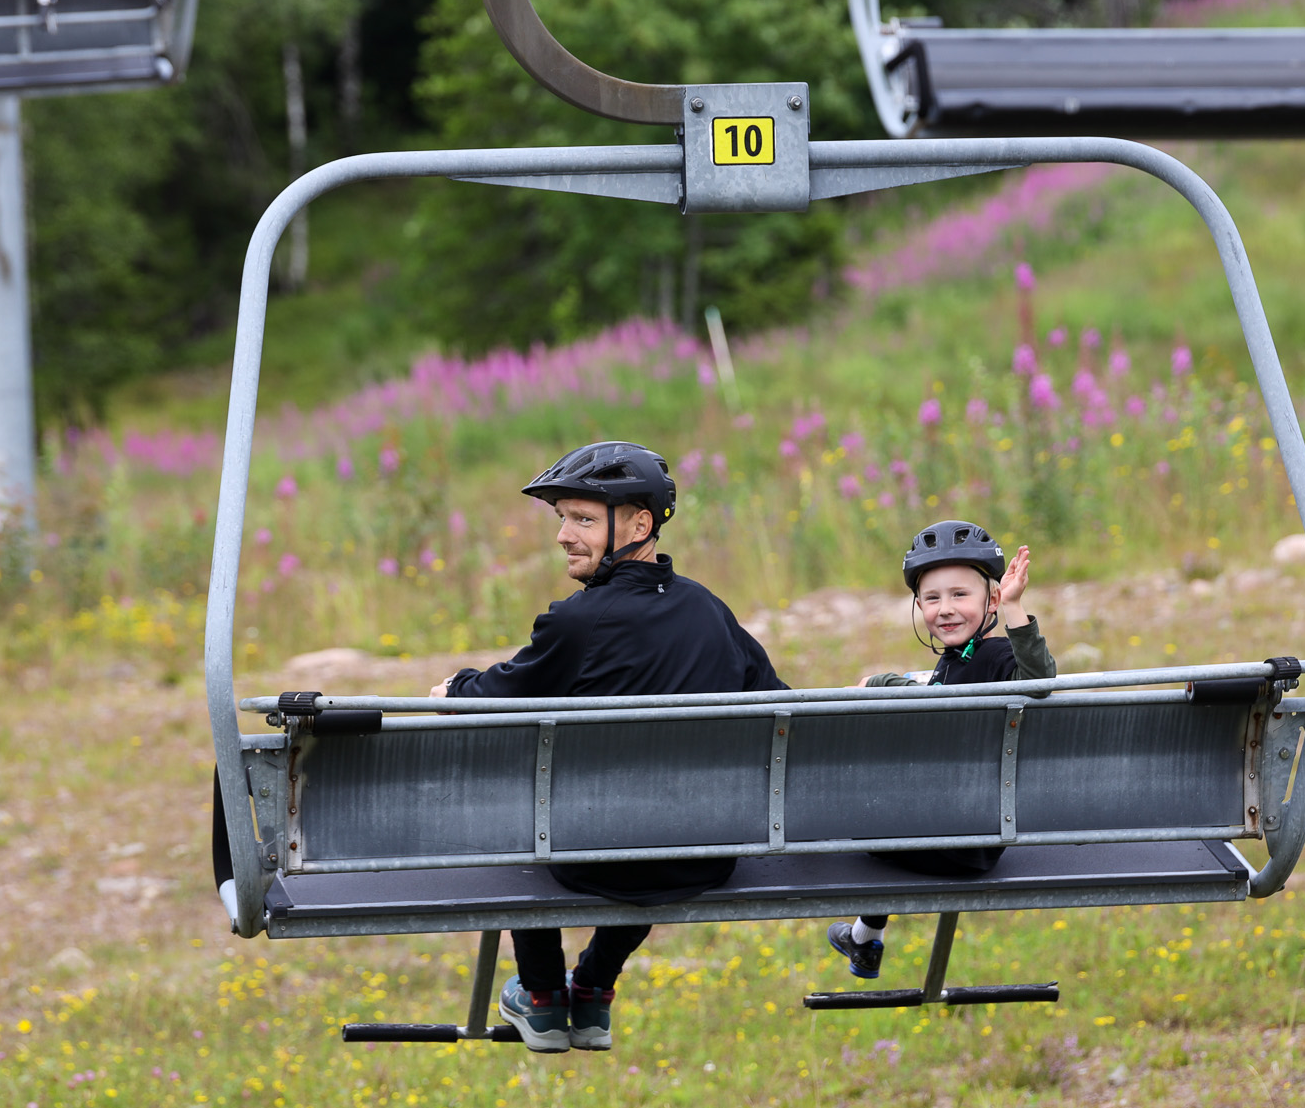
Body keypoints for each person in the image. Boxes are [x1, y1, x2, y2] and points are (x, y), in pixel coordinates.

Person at [438, 441, 786, 1054]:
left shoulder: (578, 622)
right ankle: (594, 986)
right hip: (705, 852)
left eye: (583, 519)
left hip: (595, 853)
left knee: (519, 806)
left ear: (639, 524)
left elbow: (495, 695)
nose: (565, 536)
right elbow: (781, 701)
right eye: (562, 519)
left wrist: (452, 687)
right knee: (657, 807)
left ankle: (543, 996)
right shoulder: (710, 612)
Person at [825, 519, 1055, 982]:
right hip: (976, 833)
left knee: (862, 808)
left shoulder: (995, 657)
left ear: (991, 599)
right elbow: (930, 685)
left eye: (959, 595)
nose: (945, 610)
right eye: (932, 599)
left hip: (948, 840)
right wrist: (882, 682)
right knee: (898, 805)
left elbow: (1038, 681)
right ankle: (865, 939)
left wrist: (1016, 609)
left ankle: (865, 937)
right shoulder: (964, 659)